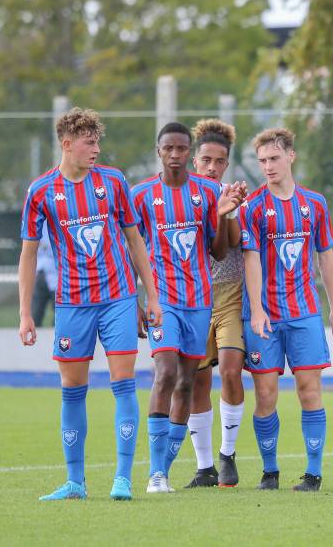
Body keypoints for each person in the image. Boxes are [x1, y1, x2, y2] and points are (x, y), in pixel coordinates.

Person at [18, 107, 163, 501]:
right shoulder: (41, 191)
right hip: (72, 304)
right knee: (72, 388)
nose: (96, 148)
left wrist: (150, 296)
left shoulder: (113, 182)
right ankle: (75, 482)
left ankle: (122, 479)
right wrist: (26, 312)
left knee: (123, 383)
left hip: (117, 299)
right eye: (89, 142)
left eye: (98, 140)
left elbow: (135, 240)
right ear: (67, 144)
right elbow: (29, 254)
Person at [132, 122, 246, 494]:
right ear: (159, 151)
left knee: (186, 382)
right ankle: (156, 473)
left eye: (182, 148)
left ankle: (165, 468)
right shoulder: (142, 195)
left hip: (200, 301)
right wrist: (138, 298)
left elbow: (219, 250)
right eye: (170, 149)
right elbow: (132, 248)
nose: (176, 155)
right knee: (164, 374)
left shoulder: (210, 192)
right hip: (163, 301)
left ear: (188, 151)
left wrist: (224, 214)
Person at [241, 128, 333, 492]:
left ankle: (313, 473)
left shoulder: (314, 204)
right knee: (266, 394)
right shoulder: (252, 207)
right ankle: (270, 473)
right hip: (264, 315)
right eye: (262, 161)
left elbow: (325, 256)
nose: (267, 166)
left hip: (303, 313)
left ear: (290, 156)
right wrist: (255, 309)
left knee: (309, 390)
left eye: (273, 158)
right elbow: (250, 259)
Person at [184, 119, 246, 488]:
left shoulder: (231, 194)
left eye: (219, 161)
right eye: (205, 159)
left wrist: (227, 210)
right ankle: (204, 466)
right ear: (194, 161)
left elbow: (233, 245)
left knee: (232, 369)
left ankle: (228, 454)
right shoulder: (182, 195)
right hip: (193, 296)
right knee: (197, 381)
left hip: (228, 293)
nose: (211, 166)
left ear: (226, 164)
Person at [31, 225, 58, 326]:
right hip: (41, 273)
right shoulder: (38, 223)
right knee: (35, 315)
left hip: (58, 275)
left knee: (59, 317)